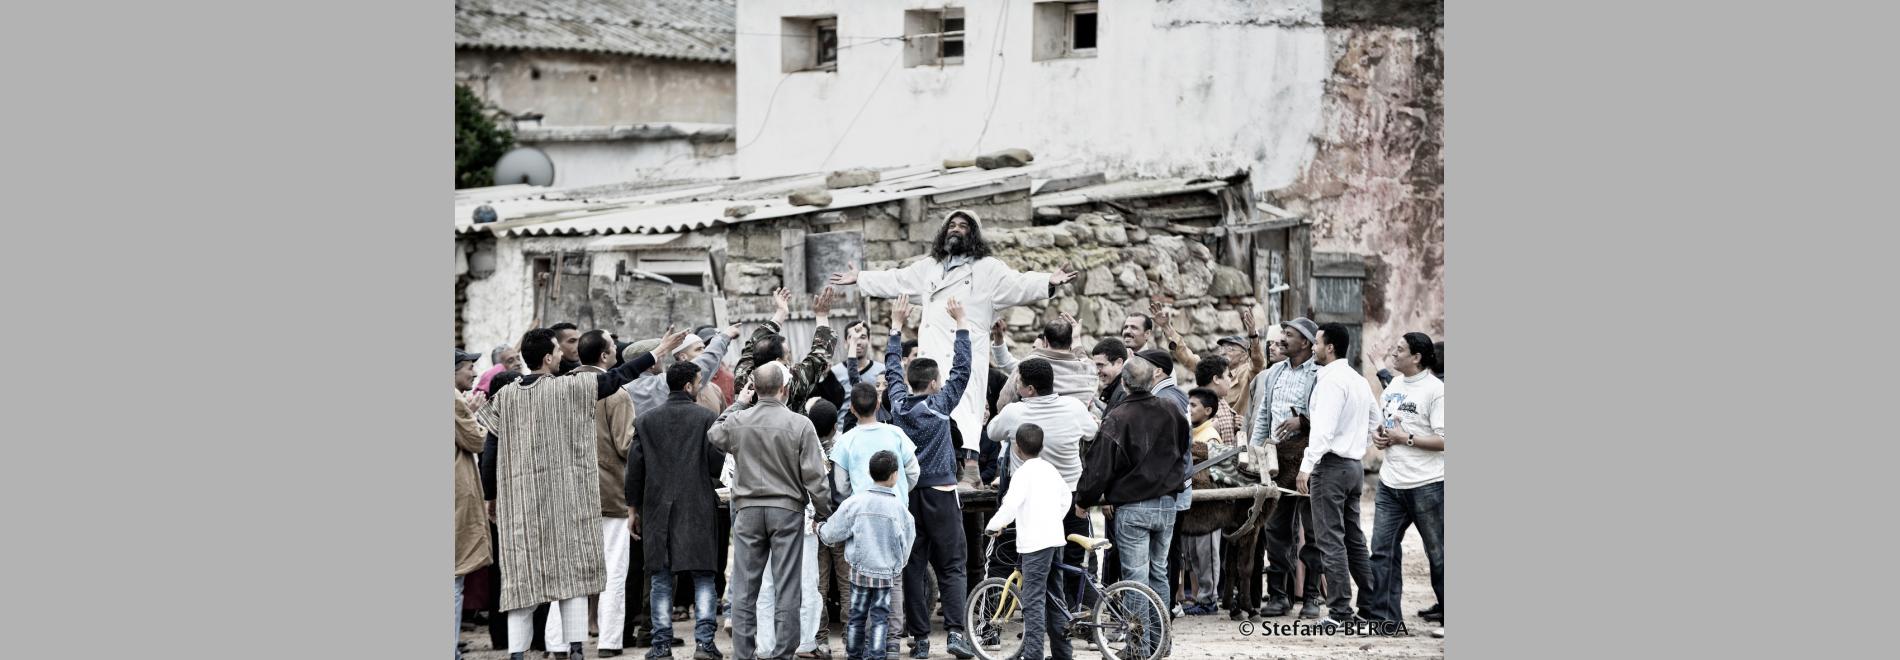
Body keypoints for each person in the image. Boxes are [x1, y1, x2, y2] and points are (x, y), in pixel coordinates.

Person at [477, 327, 687, 660]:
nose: (563, 354)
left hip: (520, 506)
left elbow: (490, 449)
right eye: (558, 350)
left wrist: (491, 496)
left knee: (521, 581)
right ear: (548, 358)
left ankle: (521, 653)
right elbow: (617, 378)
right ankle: (574, 649)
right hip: (566, 502)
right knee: (571, 576)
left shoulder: (504, 397)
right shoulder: (568, 388)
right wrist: (658, 351)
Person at [829, 209, 1079, 470]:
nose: (956, 229)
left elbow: (1018, 283)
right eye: (952, 225)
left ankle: (968, 465)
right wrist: (861, 277)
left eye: (963, 225)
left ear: (974, 234)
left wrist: (1047, 281)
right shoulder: (930, 267)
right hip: (932, 355)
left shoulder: (988, 269)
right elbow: (896, 279)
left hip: (964, 353)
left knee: (964, 413)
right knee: (928, 411)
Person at [710, 362, 835, 660]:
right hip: (787, 511)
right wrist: (822, 512)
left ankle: (744, 654)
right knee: (787, 586)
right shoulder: (800, 424)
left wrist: (738, 403)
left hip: (748, 511)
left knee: (745, 587)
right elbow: (815, 478)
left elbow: (714, 434)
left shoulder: (739, 420)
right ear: (785, 388)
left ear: (754, 388)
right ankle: (782, 654)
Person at [880, 295, 979, 659]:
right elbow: (963, 370)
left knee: (914, 566)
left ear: (909, 382)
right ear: (936, 383)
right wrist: (962, 323)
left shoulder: (898, 404)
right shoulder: (940, 405)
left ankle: (920, 639)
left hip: (907, 496)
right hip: (941, 491)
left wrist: (895, 327)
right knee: (952, 565)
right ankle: (954, 633)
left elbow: (892, 369)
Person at [545, 330, 639, 657]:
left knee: (565, 572)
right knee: (612, 570)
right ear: (604, 356)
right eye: (612, 348)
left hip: (564, 490)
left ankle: (558, 643)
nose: (616, 353)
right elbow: (626, 445)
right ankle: (609, 641)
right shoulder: (616, 394)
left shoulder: (558, 388)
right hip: (608, 491)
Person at [626, 361, 727, 660]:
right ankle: (704, 644)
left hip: (657, 509)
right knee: (704, 577)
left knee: (660, 578)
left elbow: (635, 472)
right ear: (688, 386)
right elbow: (717, 465)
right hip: (698, 507)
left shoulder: (645, 421)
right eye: (698, 381)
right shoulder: (706, 419)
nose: (700, 386)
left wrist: (633, 510)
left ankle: (661, 646)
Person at [1075, 353, 1190, 609]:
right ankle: (1160, 631)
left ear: (1124, 382)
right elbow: (1183, 446)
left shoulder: (1119, 416)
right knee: (1158, 571)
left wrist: (1083, 500)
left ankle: (1141, 635)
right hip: (1166, 503)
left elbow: (1099, 467)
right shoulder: (1171, 409)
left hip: (1134, 505)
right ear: (1151, 381)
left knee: (1136, 577)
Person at [1296, 323, 1379, 626]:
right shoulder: (1357, 379)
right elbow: (1376, 421)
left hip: (1330, 467)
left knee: (1330, 540)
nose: (1312, 347)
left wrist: (1307, 466)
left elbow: (1323, 430)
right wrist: (1356, 446)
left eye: (1316, 342)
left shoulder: (1331, 381)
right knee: (1354, 538)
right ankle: (1370, 605)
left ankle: (1341, 612)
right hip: (1353, 466)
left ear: (1329, 348)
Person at [829, 382, 920, 656]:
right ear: (879, 404)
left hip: (861, 517)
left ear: (852, 409)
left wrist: (857, 501)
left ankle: (864, 644)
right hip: (895, 512)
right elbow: (914, 472)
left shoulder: (845, 441)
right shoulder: (896, 434)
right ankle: (891, 641)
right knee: (893, 578)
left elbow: (840, 485)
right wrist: (898, 493)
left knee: (860, 582)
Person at [1244, 318, 1325, 620]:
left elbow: (1328, 417)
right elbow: (1264, 414)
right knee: (1276, 531)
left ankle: (1312, 597)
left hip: (1308, 459)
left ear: (1305, 342)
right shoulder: (1275, 372)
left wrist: (1303, 422)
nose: (1282, 340)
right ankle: (1279, 596)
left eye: (1288, 335)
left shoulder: (1320, 374)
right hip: (1276, 459)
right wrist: (1255, 454)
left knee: (1313, 531)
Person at [1365, 333, 1445, 626]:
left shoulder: (1437, 391)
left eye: (1400, 350)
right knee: (1381, 551)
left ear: (1417, 357)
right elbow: (1387, 426)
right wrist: (1381, 437)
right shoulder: (1394, 387)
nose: (1393, 354)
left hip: (1428, 485)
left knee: (1439, 554)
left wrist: (1405, 438)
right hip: (1390, 484)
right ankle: (1386, 620)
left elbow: (1444, 440)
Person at [984, 426, 1075, 660]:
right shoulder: (1050, 469)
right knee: (1056, 598)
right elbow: (1066, 497)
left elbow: (1010, 505)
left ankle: (1033, 655)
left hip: (1035, 544)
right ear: (1042, 446)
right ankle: (1063, 654)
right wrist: (1053, 518)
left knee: (1033, 601)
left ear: (1017, 447)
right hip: (1055, 539)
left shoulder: (1022, 474)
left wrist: (994, 525)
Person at [819, 451, 916, 660]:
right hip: (886, 573)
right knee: (880, 618)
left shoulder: (854, 503)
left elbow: (832, 533)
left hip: (859, 572)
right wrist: (898, 565)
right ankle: (876, 655)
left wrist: (819, 529)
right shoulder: (900, 508)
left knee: (856, 617)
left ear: (870, 473)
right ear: (895, 475)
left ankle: (854, 655)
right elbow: (908, 540)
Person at [735, 288, 838, 409]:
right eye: (788, 354)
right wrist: (821, 315)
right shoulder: (791, 384)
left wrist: (781, 312)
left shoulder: (742, 379)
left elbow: (752, 344)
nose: (790, 358)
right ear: (778, 361)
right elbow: (819, 357)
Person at [455, 350, 496, 660]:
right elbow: (477, 441)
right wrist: (472, 414)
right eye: (469, 368)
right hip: (457, 493)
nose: (473, 374)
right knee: (455, 578)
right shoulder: (454, 400)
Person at [1176, 388, 1226, 616]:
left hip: (1208, 507)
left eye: (1193, 405)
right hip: (1193, 505)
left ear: (1208, 411)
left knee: (1207, 554)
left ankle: (1209, 600)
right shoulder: (1191, 432)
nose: (1189, 409)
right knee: (1194, 555)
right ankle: (1201, 598)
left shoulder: (1210, 436)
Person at [628, 325, 740, 419]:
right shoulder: (665, 384)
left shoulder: (625, 390)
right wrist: (724, 337)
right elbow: (704, 363)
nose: (703, 352)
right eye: (659, 356)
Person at [991, 317, 1100, 411]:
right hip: (1076, 427)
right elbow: (1083, 360)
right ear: (1070, 342)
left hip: (1034, 426)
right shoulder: (1090, 368)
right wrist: (1076, 339)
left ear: (1046, 341)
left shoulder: (1030, 365)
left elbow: (1003, 403)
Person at [1089, 338, 1131, 417]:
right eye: (1095, 366)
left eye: (1100, 365)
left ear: (1119, 363)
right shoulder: (1117, 390)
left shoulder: (1124, 393)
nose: (1097, 371)